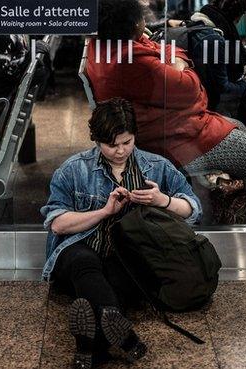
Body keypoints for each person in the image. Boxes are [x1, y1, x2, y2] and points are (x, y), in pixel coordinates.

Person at [87, 0, 246, 224]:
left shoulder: (105, 47)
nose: (146, 16)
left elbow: (167, 51)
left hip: (159, 125)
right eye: (142, 14)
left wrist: (173, 59)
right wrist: (179, 62)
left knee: (238, 127)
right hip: (170, 137)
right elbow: (192, 88)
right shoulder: (134, 60)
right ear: (132, 24)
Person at [41, 98, 201, 369]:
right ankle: (124, 337)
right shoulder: (73, 169)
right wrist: (104, 212)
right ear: (97, 140)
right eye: (111, 145)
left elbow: (193, 209)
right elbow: (57, 223)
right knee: (84, 262)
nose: (120, 151)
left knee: (119, 279)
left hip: (127, 256)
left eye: (127, 143)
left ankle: (88, 346)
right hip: (80, 250)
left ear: (134, 136)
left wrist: (161, 200)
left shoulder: (156, 166)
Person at [186, 0, 246, 136]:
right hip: (211, 108)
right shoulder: (214, 39)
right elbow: (224, 91)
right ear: (237, 16)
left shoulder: (197, 23)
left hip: (200, 102)